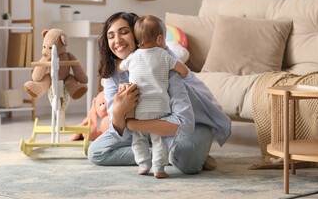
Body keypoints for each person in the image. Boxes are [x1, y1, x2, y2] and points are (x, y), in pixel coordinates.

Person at [88, 12, 231, 175]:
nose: (117, 40)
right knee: (97, 152)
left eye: (124, 32)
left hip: (192, 122)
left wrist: (127, 121)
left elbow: (184, 122)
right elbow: (118, 131)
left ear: (137, 35)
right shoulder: (112, 73)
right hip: (150, 124)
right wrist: (118, 111)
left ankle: (176, 153)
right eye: (111, 36)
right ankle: (160, 155)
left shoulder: (163, 60)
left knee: (188, 163)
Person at [116, 15, 189, 178]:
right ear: (159, 38)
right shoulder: (164, 56)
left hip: (138, 108)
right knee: (159, 139)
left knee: (138, 138)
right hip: (160, 108)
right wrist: (181, 75)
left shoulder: (132, 57)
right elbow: (184, 71)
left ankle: (143, 164)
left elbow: (120, 68)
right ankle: (159, 168)